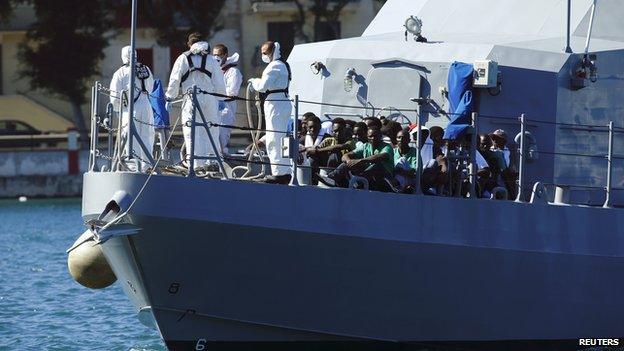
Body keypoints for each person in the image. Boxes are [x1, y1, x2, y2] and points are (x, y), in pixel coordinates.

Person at [166, 32, 226, 171]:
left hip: (191, 99)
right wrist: (221, 98)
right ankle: (212, 161)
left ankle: (196, 164)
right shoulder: (211, 59)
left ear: (189, 44)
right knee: (212, 129)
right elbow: (219, 81)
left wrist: (170, 97)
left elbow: (175, 80)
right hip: (210, 99)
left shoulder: (183, 58)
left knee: (192, 131)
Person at [249, 41, 292, 184]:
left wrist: (253, 81)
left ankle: (280, 173)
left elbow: (262, 86)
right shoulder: (284, 65)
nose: (263, 55)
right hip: (281, 102)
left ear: (273, 52)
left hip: (276, 103)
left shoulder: (274, 66)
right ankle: (284, 171)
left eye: (266, 52)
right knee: (280, 138)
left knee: (274, 139)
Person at [110, 46, 155, 172]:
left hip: (129, 108)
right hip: (146, 105)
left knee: (130, 137)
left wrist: (118, 108)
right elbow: (151, 88)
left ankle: (134, 166)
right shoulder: (145, 69)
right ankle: (147, 165)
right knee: (147, 135)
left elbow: (114, 97)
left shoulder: (120, 73)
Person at [323, 127, 394, 191]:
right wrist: (349, 162)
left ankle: (358, 183)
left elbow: (381, 156)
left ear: (380, 136)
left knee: (377, 166)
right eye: (370, 136)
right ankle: (330, 178)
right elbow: (345, 155)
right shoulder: (365, 146)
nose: (372, 138)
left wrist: (361, 161)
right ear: (367, 136)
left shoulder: (387, 147)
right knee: (345, 165)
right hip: (368, 175)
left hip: (384, 177)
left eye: (375, 136)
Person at [213, 44, 243, 155]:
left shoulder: (233, 72)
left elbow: (232, 92)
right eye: (214, 55)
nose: (216, 57)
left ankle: (223, 158)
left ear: (225, 55)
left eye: (219, 55)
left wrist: (218, 98)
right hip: (213, 107)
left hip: (226, 109)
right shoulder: (214, 71)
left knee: (222, 136)